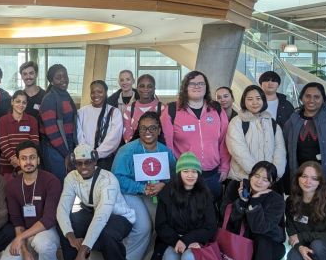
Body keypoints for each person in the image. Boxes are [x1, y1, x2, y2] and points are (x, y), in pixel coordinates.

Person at [57, 144, 135, 260]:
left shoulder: (108, 179)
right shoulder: (71, 177)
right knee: (65, 223)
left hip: (118, 217)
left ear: (95, 162)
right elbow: (62, 209)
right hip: (93, 212)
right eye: (79, 163)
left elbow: (102, 216)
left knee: (108, 233)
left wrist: (82, 251)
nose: (83, 167)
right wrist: (71, 237)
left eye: (88, 162)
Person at [112, 111, 176, 260]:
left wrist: (163, 185)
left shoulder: (166, 152)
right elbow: (117, 178)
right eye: (143, 128)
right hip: (130, 193)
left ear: (159, 130)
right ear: (138, 130)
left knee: (160, 224)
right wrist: (141, 188)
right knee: (143, 226)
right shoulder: (127, 151)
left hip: (155, 194)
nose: (148, 132)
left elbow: (175, 177)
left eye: (153, 128)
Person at [220, 162, 285, 260]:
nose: (259, 181)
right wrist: (242, 201)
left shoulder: (276, 199)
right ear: (250, 175)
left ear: (271, 183)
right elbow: (225, 216)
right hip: (237, 240)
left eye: (265, 179)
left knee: (264, 238)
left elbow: (259, 228)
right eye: (256, 175)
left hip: (265, 246)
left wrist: (254, 201)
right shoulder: (235, 187)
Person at [0, 141, 63, 260]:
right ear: (18, 161)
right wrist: (24, 250)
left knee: (42, 244)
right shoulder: (12, 186)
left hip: (48, 231)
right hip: (27, 233)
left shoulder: (51, 181)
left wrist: (20, 238)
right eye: (23, 158)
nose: (28, 162)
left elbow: (49, 219)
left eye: (32, 157)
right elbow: (16, 220)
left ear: (38, 160)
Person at [160, 70, 230, 201]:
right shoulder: (171, 110)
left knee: (210, 214)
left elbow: (224, 141)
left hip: (212, 175)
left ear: (206, 87)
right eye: (192, 83)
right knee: (186, 215)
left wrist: (225, 167)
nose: (197, 86)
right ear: (185, 87)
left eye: (201, 83)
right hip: (185, 176)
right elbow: (167, 145)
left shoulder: (217, 109)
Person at [151, 152, 217, 260]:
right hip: (172, 241)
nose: (190, 175)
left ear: (199, 174)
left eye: (194, 171)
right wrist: (176, 241)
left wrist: (188, 240)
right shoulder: (167, 192)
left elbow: (210, 226)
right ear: (179, 172)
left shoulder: (205, 194)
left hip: (195, 241)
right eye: (185, 171)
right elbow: (161, 225)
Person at [225, 85, 286, 188]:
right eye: (250, 99)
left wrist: (275, 173)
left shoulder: (271, 122)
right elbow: (238, 150)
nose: (254, 102)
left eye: (258, 98)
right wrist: (258, 175)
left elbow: (280, 149)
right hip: (243, 180)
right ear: (244, 101)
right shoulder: (237, 122)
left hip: (269, 180)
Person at [39, 64, 77, 182]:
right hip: (54, 149)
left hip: (66, 147)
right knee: (58, 184)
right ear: (51, 81)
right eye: (58, 77)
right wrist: (66, 153)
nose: (63, 80)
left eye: (65, 76)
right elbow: (52, 131)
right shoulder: (49, 99)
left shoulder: (65, 95)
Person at [77, 80, 123, 170]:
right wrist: (86, 153)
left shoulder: (114, 112)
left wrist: (97, 153)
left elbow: (114, 137)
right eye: (93, 92)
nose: (96, 95)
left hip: (106, 159)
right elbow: (79, 134)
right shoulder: (81, 112)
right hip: (86, 158)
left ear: (106, 93)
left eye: (100, 92)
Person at [0, 90, 39, 178]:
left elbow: (34, 143)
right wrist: (15, 159)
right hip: (6, 164)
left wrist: (23, 161)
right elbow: (3, 143)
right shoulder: (3, 120)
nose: (21, 105)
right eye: (18, 101)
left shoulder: (32, 120)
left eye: (24, 102)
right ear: (12, 102)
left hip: (27, 163)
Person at [121, 74, 165, 145]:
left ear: (154, 88)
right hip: (135, 150)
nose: (145, 89)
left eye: (149, 86)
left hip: (156, 150)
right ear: (137, 88)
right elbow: (127, 135)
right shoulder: (129, 109)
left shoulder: (162, 108)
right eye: (142, 86)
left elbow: (165, 133)